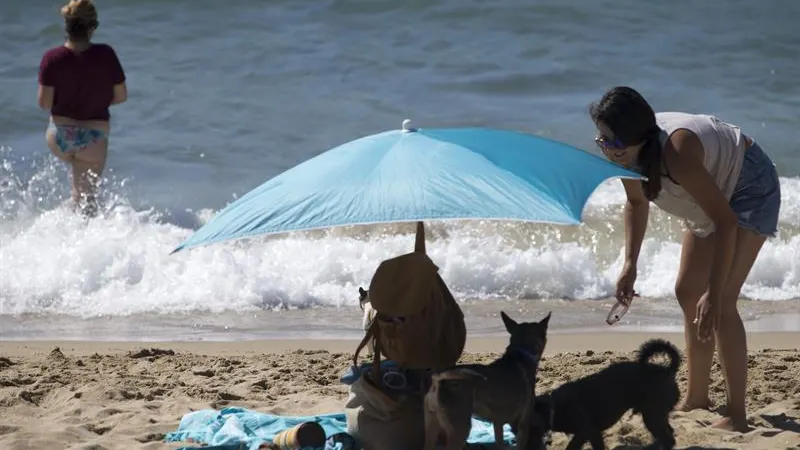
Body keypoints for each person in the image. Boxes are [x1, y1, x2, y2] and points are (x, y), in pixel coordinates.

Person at [589, 86, 781, 432]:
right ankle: (697, 397)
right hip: (713, 191)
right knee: (687, 291)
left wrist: (715, 288)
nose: (605, 147)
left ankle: (737, 415)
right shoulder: (623, 156)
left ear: (635, 139)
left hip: (748, 184)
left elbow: (725, 221)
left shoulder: (676, 154)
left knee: (720, 302)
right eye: (600, 138)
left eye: (612, 141)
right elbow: (636, 203)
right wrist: (629, 265)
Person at [37, 0, 127, 217]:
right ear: (92, 27)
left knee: (78, 187)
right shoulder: (106, 54)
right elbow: (121, 96)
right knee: (87, 199)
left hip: (59, 138)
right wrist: (97, 101)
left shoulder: (51, 58)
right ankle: (80, 239)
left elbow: (44, 104)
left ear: (66, 26)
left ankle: (61, 227)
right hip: (92, 139)